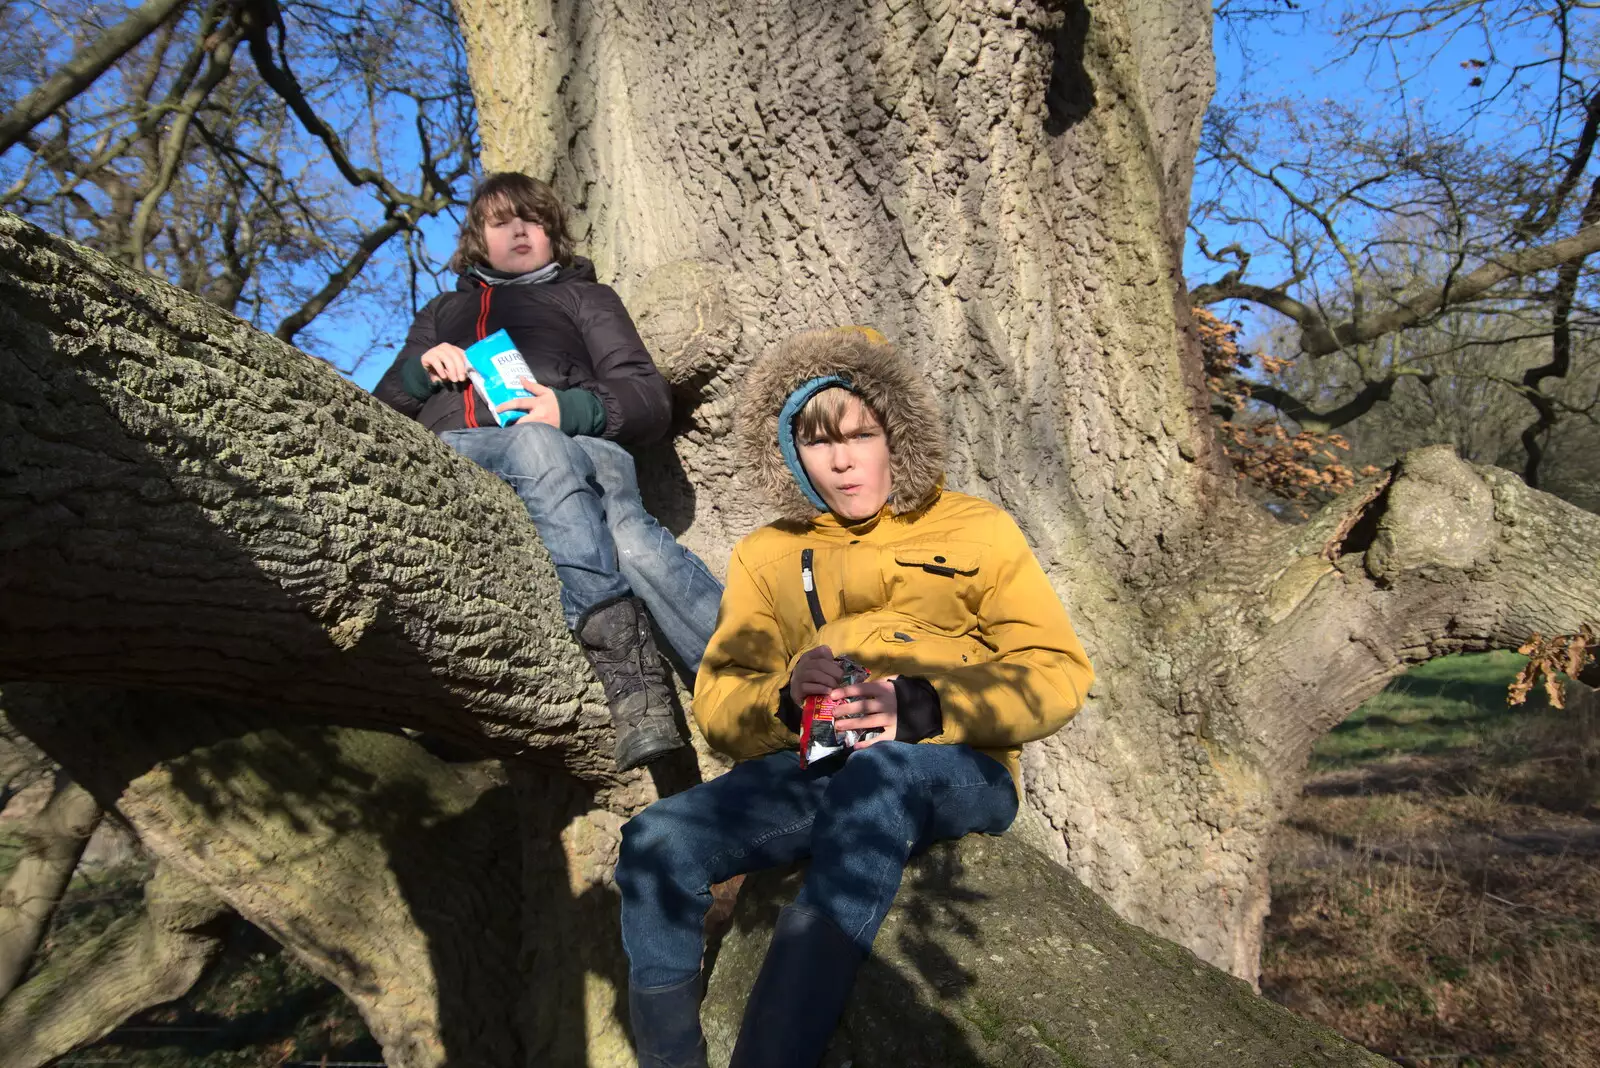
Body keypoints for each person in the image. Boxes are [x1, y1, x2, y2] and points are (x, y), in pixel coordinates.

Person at [614, 326, 1095, 1068]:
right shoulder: (765, 553)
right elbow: (717, 702)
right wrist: (782, 696)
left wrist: (922, 707)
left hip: (955, 765)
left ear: (894, 434)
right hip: (822, 766)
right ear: (788, 453)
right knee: (654, 840)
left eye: (861, 433)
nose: (841, 459)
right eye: (815, 442)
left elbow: (1057, 672)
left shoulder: (977, 528)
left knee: (879, 775)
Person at [373, 172, 723, 772]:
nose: (517, 231)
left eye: (531, 220)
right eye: (499, 221)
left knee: (636, 544)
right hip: (463, 451)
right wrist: (419, 372)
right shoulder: (442, 311)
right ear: (477, 239)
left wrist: (572, 407)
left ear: (552, 233)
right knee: (620, 533)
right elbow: (375, 414)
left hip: (583, 445)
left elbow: (647, 396)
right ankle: (637, 684)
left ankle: (762, 678)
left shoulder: (587, 298)